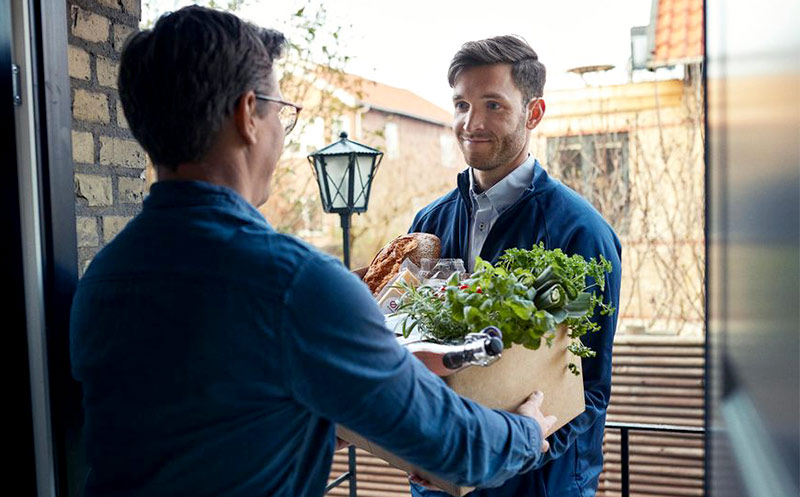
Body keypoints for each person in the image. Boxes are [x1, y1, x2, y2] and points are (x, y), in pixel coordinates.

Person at [69, 7, 557, 497]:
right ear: (247, 116)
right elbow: (456, 445)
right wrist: (527, 433)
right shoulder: (292, 285)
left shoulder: (101, 278)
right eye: (281, 111)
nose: (284, 131)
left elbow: (215, 426)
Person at [407, 36, 622, 497]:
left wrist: (506, 456)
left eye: (493, 105)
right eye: (462, 104)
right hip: (440, 482)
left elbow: (587, 388)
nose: (472, 122)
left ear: (534, 113)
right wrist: (418, 445)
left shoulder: (580, 234)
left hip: (537, 484)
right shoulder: (428, 224)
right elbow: (414, 354)